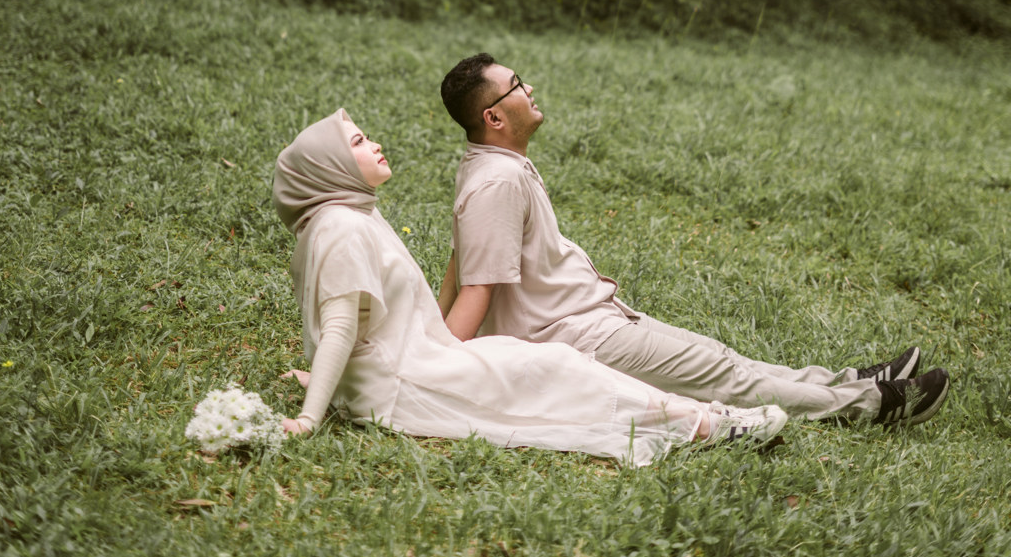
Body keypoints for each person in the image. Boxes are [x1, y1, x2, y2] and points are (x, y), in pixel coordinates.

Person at [437, 54, 951, 429]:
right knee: (724, 378)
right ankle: (874, 405)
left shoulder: (497, 167)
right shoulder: (497, 182)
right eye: (516, 86)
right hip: (572, 336)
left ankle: (850, 380)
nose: (529, 88)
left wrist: (430, 333)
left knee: (720, 357)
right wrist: (437, 365)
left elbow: (460, 263)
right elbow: (476, 288)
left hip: (592, 315)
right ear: (494, 118)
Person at [271, 108, 789, 463]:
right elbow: (340, 325)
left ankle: (705, 418)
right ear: (330, 167)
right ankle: (709, 426)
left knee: (549, 364)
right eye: (358, 142)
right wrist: (310, 417)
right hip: (404, 381)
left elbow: (363, 320)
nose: (375, 143)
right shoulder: (343, 228)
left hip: (413, 362)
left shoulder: (351, 217)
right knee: (555, 372)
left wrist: (330, 378)